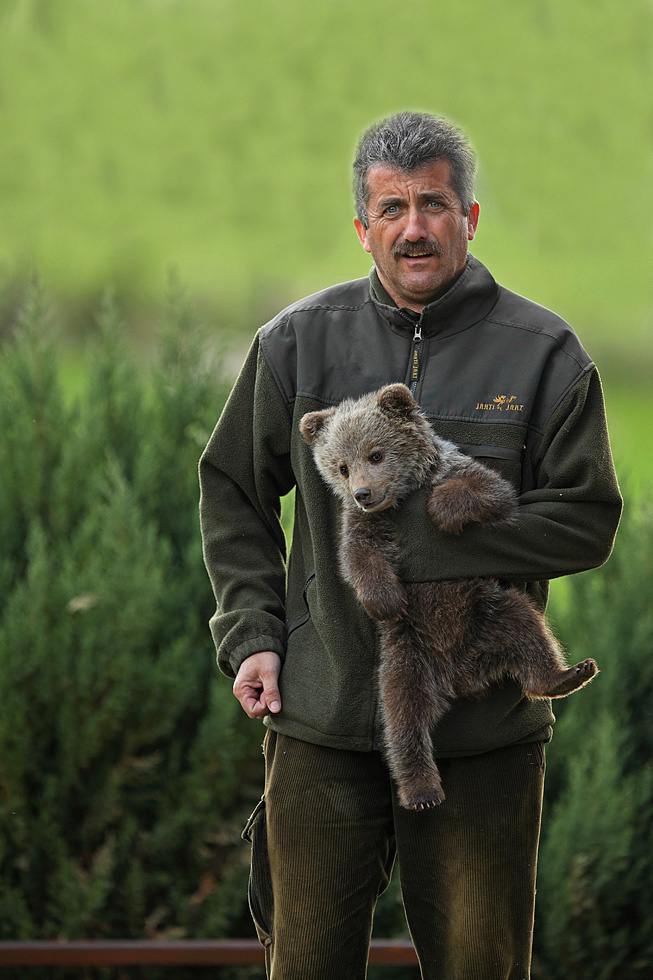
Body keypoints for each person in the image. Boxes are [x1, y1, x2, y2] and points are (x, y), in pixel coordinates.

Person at [199, 111, 622, 980]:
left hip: (480, 737)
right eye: (391, 208)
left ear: (469, 217)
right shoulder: (293, 345)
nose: (414, 227)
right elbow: (232, 489)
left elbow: (586, 518)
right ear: (362, 227)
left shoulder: (543, 354)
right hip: (319, 723)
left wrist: (437, 540)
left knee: (480, 966)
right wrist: (253, 635)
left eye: (434, 203)